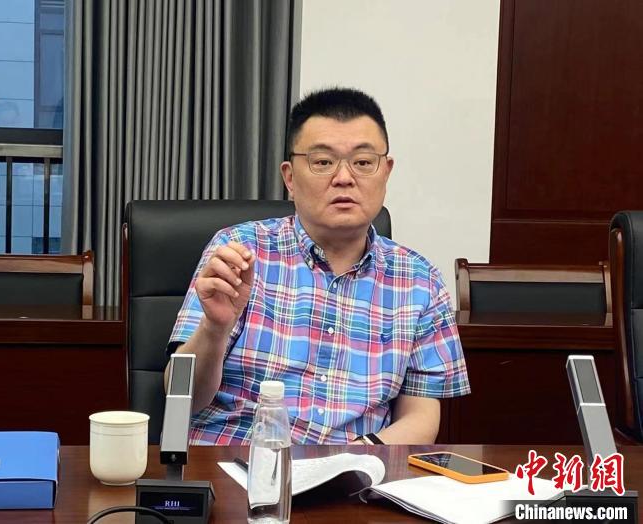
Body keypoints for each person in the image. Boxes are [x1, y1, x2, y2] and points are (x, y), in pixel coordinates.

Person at [165, 87, 470, 446]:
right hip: (234, 461)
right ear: (290, 178)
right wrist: (214, 330)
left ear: (386, 172)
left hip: (356, 469)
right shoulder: (238, 251)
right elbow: (179, 397)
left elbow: (420, 417)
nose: (344, 177)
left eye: (363, 162)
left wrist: (356, 458)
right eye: (323, 162)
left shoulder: (420, 281)